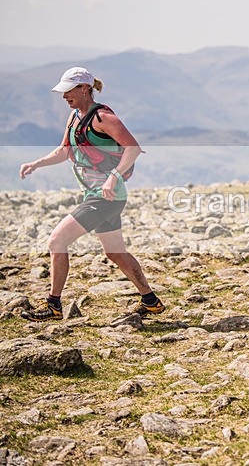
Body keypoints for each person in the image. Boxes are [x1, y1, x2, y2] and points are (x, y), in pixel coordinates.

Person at [19, 67, 166, 321]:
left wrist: (114, 176)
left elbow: (133, 148)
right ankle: (150, 301)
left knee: (56, 241)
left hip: (105, 196)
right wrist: (36, 163)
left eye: (69, 90)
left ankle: (53, 306)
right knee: (115, 252)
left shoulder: (102, 117)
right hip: (100, 196)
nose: (64, 96)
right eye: (63, 91)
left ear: (85, 88)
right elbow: (64, 151)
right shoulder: (75, 116)